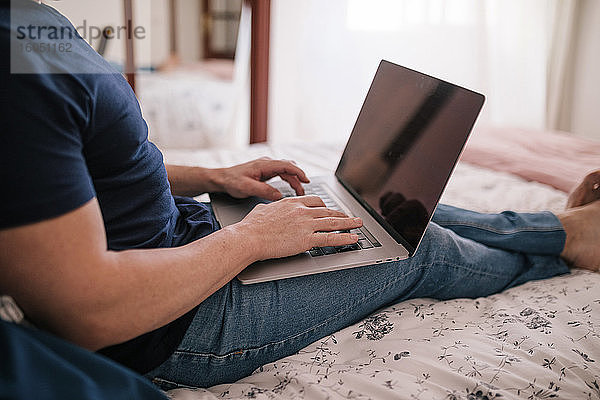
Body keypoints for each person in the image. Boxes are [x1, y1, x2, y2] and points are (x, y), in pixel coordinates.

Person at [1, 0, 599, 391]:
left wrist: (214, 178)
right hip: (173, 321)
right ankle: (570, 242)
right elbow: (87, 314)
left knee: (379, 211)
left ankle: (561, 228)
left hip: (186, 243)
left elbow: (93, 167)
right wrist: (252, 238)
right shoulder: (13, 72)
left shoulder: (31, 21)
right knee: (416, 251)